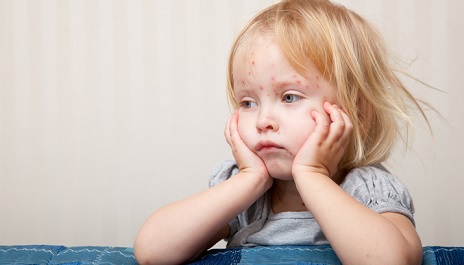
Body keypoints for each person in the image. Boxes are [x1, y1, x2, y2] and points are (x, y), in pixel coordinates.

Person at [134, 0, 428, 264]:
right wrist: (249, 180)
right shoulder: (246, 195)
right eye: (248, 102)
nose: (263, 120)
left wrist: (312, 175)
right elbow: (151, 252)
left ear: (357, 113)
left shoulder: (367, 189)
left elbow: (393, 260)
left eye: (289, 97)